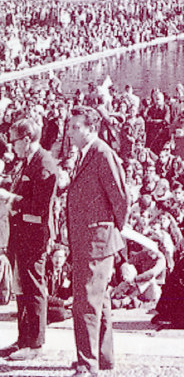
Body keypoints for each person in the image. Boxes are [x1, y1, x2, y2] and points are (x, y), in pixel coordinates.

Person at [66, 105, 130, 377]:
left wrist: (112, 230)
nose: (70, 132)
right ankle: (103, 357)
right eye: (70, 126)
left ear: (91, 128)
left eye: (75, 127)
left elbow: (121, 198)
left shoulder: (102, 153)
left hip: (97, 241)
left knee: (85, 303)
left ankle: (87, 363)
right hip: (91, 240)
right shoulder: (85, 153)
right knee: (99, 301)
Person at [0, 118, 60, 361]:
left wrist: (10, 198)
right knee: (22, 288)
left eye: (14, 141)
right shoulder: (27, 162)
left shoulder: (43, 163)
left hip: (34, 235)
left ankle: (35, 343)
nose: (11, 146)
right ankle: (23, 338)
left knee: (34, 287)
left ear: (27, 139)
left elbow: (39, 206)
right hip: (21, 233)